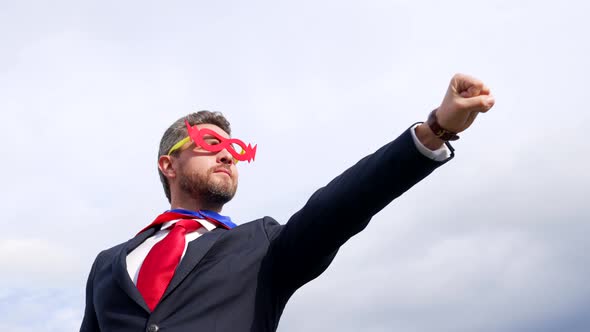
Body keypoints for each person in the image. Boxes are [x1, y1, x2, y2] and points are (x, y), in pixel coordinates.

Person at [80, 73, 495, 332]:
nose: (228, 155)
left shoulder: (264, 249)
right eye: (211, 143)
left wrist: (435, 130)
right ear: (168, 165)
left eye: (235, 149)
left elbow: (341, 206)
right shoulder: (108, 264)